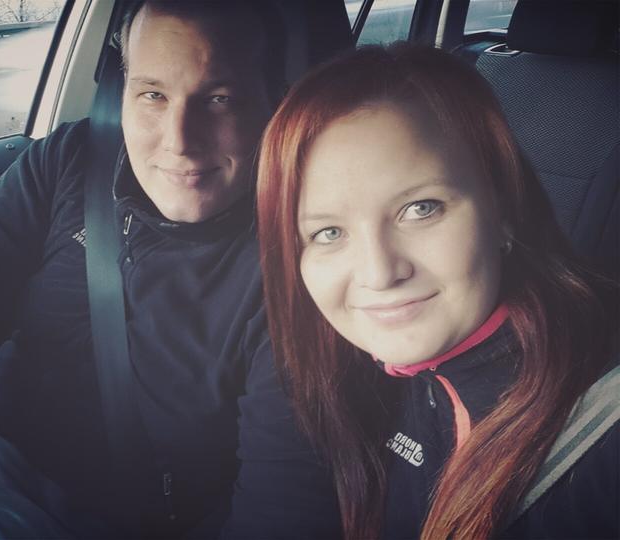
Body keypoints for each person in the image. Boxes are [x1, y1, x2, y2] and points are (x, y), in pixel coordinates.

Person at [0, 1, 342, 538]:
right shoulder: (74, 159)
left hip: (68, 517)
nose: (179, 140)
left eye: (219, 98)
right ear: (122, 90)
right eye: (153, 95)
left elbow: (279, 511)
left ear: (274, 104)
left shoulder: (299, 269)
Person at [256, 44, 619, 540]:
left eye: (421, 208)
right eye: (328, 233)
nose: (379, 273)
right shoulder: (351, 369)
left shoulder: (603, 437)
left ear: (503, 208)